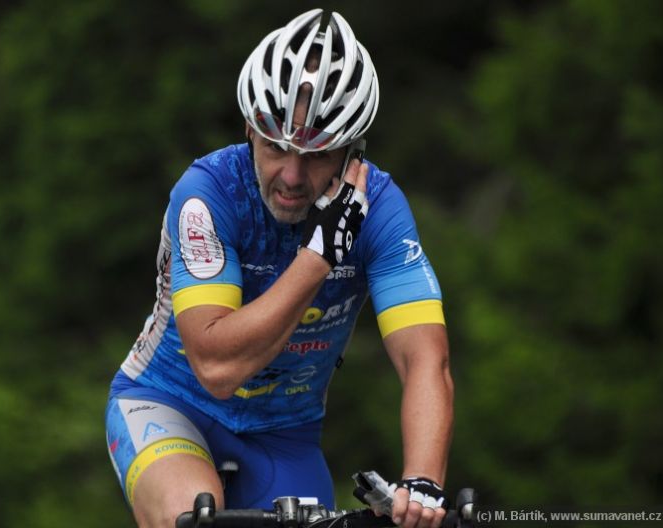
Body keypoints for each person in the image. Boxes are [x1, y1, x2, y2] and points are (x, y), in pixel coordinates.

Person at [105, 9, 454, 528]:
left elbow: (425, 359)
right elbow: (217, 369)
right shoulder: (208, 193)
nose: (291, 176)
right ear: (249, 129)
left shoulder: (379, 209)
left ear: (351, 152)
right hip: (170, 403)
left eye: (317, 155)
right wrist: (319, 257)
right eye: (276, 147)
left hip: (284, 433)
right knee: (195, 515)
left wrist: (422, 482)